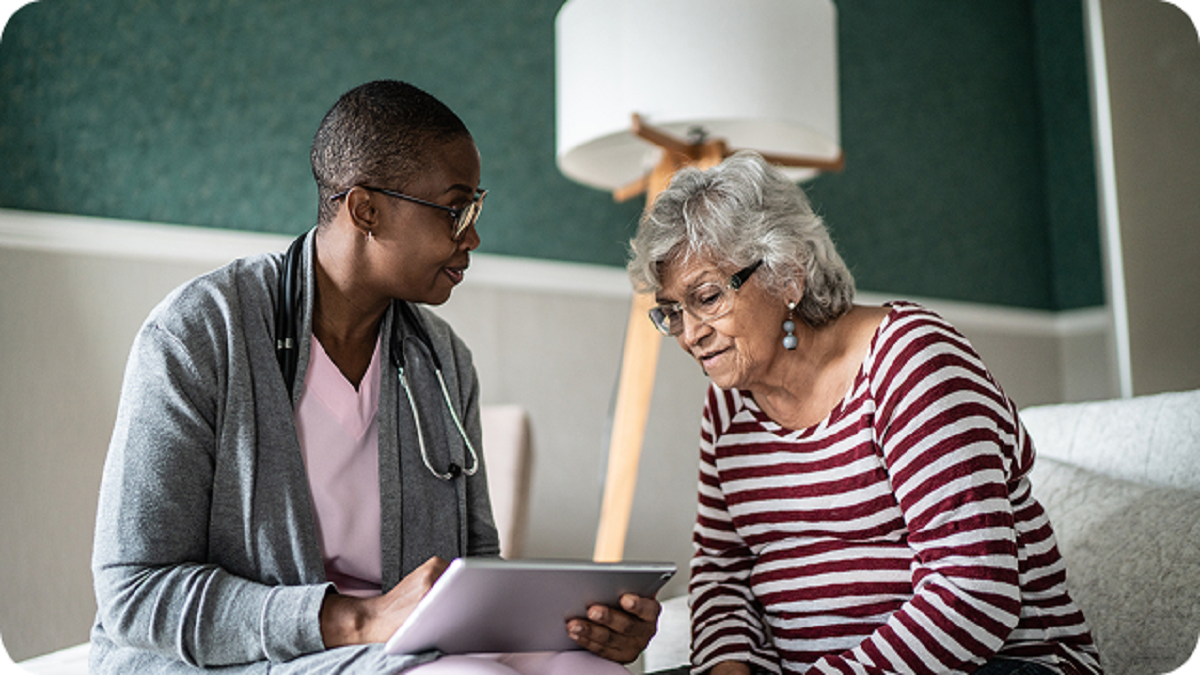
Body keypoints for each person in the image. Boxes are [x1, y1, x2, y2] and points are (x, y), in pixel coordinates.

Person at [90, 80, 658, 674]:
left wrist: (576, 629)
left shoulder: (443, 361)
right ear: (366, 210)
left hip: (399, 642)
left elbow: (473, 567)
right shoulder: (200, 334)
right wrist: (358, 619)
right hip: (234, 658)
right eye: (456, 209)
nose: (473, 237)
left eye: (476, 209)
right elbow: (135, 591)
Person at [626, 152, 1101, 675]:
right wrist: (728, 668)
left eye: (708, 297)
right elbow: (724, 572)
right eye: (672, 311)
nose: (690, 334)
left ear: (788, 275)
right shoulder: (728, 404)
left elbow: (973, 590)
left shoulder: (911, 361)